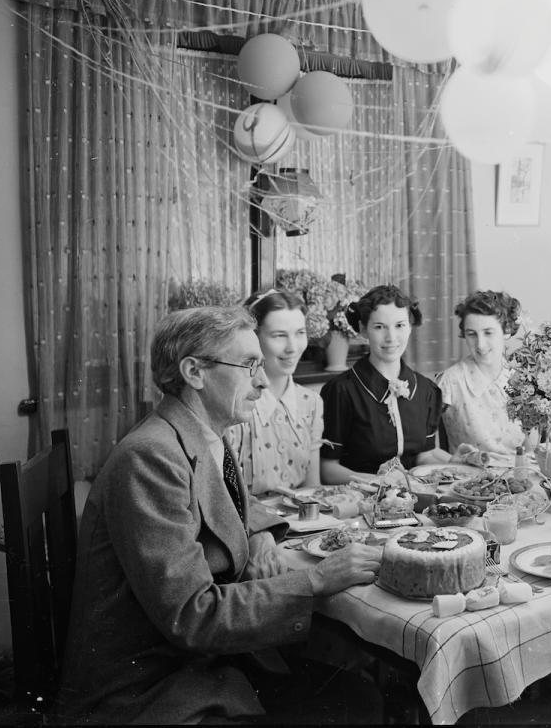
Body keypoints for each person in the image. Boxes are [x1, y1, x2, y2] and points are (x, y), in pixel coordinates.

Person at [55, 307, 383, 724]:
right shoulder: (150, 458)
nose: (263, 381)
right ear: (194, 371)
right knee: (355, 703)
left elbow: (226, 510)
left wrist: (260, 532)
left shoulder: (203, 435)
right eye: (249, 365)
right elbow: (193, 615)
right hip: (150, 690)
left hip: (201, 664)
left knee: (356, 693)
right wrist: (315, 580)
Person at [320, 284, 449, 483]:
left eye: (399, 325)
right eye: (379, 327)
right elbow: (327, 469)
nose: (391, 338)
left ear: (410, 326)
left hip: (414, 501)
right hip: (358, 502)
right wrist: (378, 482)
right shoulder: (341, 391)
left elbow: (425, 456)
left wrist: (461, 462)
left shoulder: (426, 390)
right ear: (363, 329)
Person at [227, 287, 323, 496]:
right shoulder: (235, 405)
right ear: (254, 337)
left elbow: (313, 489)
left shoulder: (311, 402)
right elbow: (224, 499)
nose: (292, 347)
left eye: (300, 333)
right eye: (279, 335)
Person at [437, 289, 526, 461]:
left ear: (506, 330)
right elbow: (426, 448)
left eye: (488, 333)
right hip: (470, 481)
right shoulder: (449, 382)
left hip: (523, 478)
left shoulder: (525, 380)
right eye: (472, 334)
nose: (480, 344)